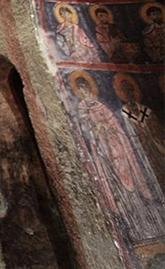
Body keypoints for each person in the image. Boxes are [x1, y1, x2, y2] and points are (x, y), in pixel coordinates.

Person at [71, 71, 165, 241]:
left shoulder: (102, 106)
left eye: (86, 88)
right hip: (105, 151)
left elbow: (119, 127)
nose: (85, 91)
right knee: (119, 189)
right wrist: (99, 128)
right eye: (81, 88)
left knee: (139, 182)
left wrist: (112, 130)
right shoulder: (82, 109)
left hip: (120, 148)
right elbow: (87, 129)